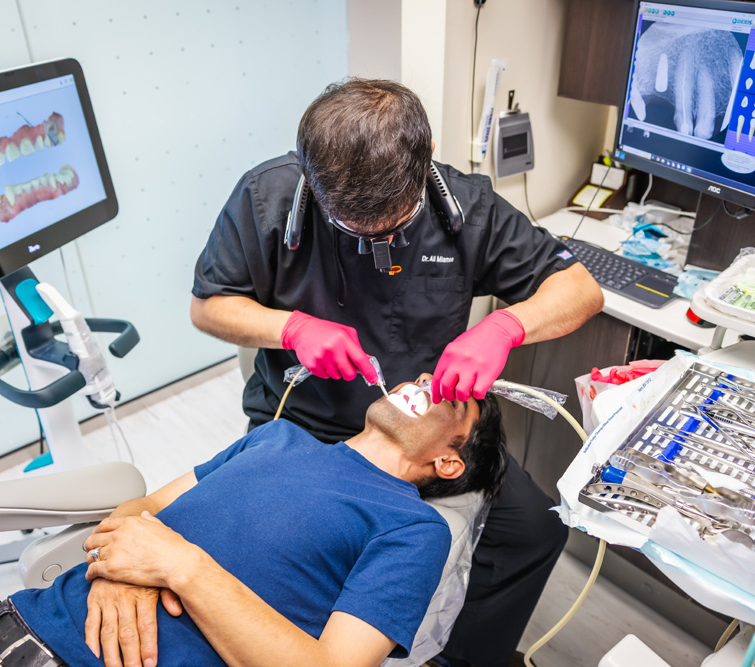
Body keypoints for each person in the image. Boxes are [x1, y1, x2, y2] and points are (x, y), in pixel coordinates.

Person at [190, 78, 603, 666]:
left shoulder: (467, 207)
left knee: (534, 531)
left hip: (425, 433)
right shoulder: (264, 199)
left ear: (422, 168)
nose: (373, 241)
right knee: (299, 556)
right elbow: (208, 306)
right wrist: (292, 330)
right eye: (352, 228)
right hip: (307, 428)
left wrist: (503, 328)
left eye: (389, 228)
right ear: (313, 180)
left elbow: (581, 290)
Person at [0, 376, 508, 667]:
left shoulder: (413, 528)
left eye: (455, 397)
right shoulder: (277, 438)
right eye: (432, 371)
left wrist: (178, 565)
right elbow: (139, 511)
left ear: (449, 460)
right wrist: (120, 572)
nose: (429, 379)